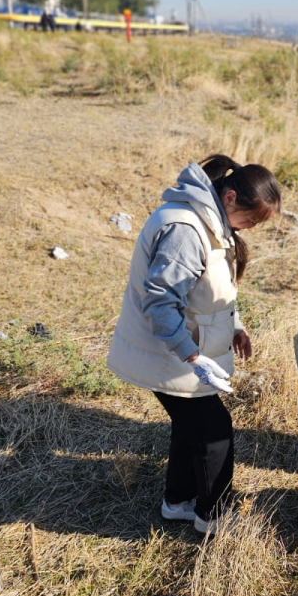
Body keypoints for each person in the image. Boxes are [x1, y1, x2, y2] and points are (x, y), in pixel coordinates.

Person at [107, 155, 282, 536]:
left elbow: (209, 288)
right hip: (169, 350)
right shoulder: (185, 229)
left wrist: (234, 325)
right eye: (252, 220)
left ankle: (178, 501)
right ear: (230, 197)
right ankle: (213, 515)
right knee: (214, 429)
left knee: (191, 424)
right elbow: (161, 303)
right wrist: (193, 355)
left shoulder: (210, 222)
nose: (251, 229)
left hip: (181, 349)